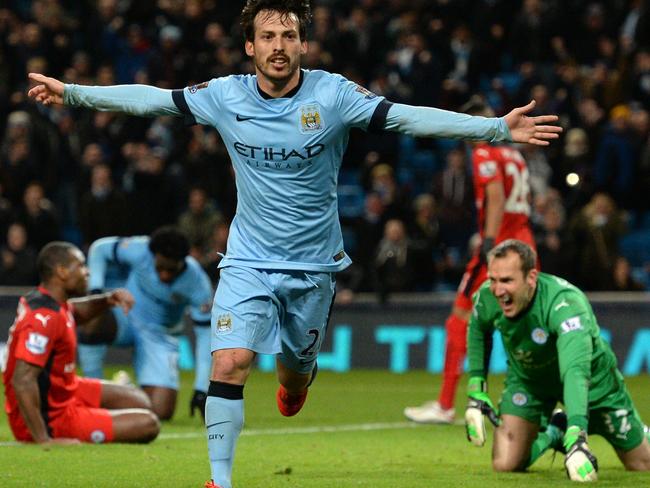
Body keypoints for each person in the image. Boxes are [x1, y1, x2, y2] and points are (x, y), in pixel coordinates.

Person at [26, 1, 561, 486]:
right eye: (267, 36)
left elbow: (405, 118)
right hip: (247, 260)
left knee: (293, 376)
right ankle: (220, 480)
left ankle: (296, 381)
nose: (278, 46)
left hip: (313, 267)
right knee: (229, 362)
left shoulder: (333, 95)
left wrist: (493, 127)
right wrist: (73, 92)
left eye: (288, 35)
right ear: (249, 46)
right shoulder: (224, 95)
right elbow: (151, 101)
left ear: (303, 44)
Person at [464, 239, 650, 481]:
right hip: (530, 380)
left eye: (507, 281)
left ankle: (600, 429)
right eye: (493, 279)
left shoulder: (565, 304)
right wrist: (476, 387)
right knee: (505, 462)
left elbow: (575, 371)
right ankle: (554, 431)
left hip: (594, 385)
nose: (498, 290)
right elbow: (478, 326)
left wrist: (577, 434)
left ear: (531, 278)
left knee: (642, 463)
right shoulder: (486, 298)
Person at [404, 96, 537, 424]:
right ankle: (541, 401)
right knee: (528, 324)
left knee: (458, 320)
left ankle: (445, 404)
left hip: (501, 250)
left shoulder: (483, 150)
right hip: (526, 244)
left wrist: (489, 244)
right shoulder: (513, 153)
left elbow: (495, 195)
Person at [2, 241, 160, 444]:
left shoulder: (50, 302)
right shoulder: (43, 318)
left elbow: (75, 312)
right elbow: (22, 381)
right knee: (148, 424)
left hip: (64, 390)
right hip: (51, 417)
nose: (87, 272)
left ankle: (88, 416)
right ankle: (81, 421)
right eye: (81, 265)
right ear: (62, 272)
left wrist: (106, 300)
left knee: (140, 400)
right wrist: (43, 439)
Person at [77, 226, 214, 421]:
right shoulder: (140, 249)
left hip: (159, 335)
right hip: (125, 314)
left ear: (183, 261)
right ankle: (92, 393)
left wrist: (201, 387)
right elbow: (99, 249)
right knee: (92, 315)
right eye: (160, 268)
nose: (165, 275)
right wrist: (96, 293)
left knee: (160, 412)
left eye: (171, 270)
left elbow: (205, 335)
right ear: (153, 256)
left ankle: (122, 390)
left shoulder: (198, 282)